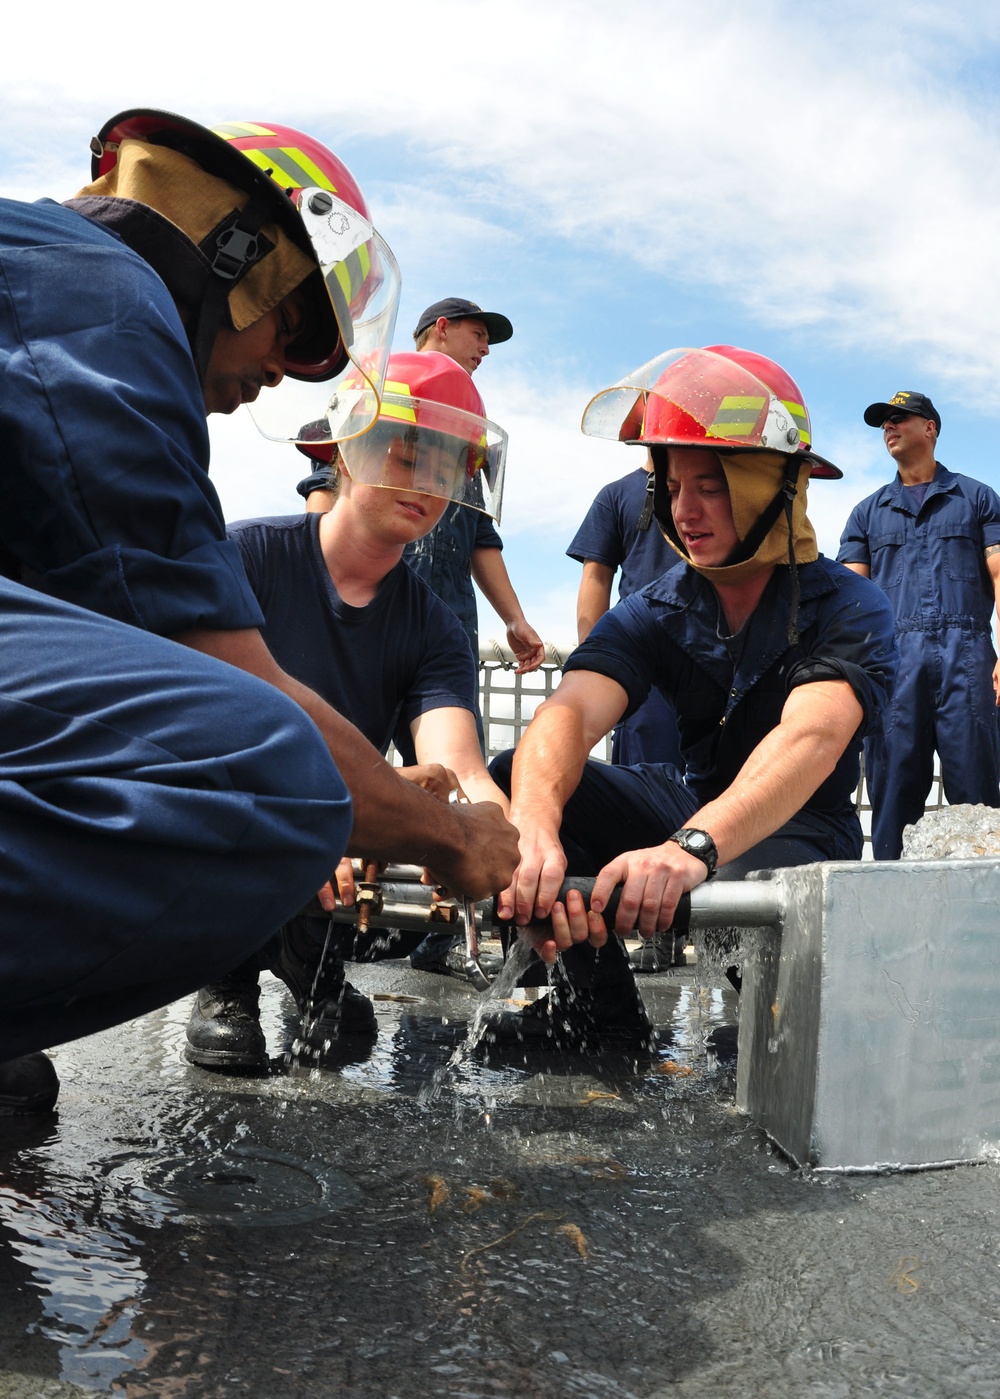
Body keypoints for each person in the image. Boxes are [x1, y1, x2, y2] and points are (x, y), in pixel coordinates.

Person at [0, 109, 518, 1114]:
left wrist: (448, 803)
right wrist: (445, 837)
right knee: (272, 766)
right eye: (293, 326)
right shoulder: (108, 304)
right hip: (302, 830)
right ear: (239, 253)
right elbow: (248, 712)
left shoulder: (49, 279)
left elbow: (447, 739)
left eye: (443, 465)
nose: (282, 368)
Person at [486, 346, 896, 1048]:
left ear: (772, 488)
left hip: (800, 826)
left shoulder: (850, 606)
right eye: (673, 487)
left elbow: (811, 737)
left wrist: (690, 848)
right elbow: (573, 710)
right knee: (511, 780)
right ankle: (604, 1017)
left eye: (711, 485)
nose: (685, 509)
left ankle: (772, 1023)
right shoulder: (658, 606)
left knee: (733, 880)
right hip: (687, 803)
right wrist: (531, 822)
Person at [186, 350, 513, 1068]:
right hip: (235, 820)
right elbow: (201, 729)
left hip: (339, 839)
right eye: (406, 453)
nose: (425, 482)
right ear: (344, 446)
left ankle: (311, 955)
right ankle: (226, 973)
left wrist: (497, 827)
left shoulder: (431, 625)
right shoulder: (248, 557)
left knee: (348, 1037)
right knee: (233, 1045)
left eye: (446, 465)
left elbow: (457, 760)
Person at [837, 391, 1000, 859]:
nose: (888, 427)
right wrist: (848, 673)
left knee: (978, 792)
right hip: (893, 664)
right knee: (892, 791)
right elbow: (851, 601)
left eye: (899, 419)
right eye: (884, 422)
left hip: (966, 655)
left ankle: (986, 915)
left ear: (929, 427)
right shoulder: (867, 513)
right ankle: (892, 910)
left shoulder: (976, 498)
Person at [567, 448, 686, 972]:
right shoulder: (616, 494)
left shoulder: (716, 484)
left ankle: (720, 918)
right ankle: (657, 928)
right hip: (645, 658)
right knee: (643, 780)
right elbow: (597, 576)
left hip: (711, 652)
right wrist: (597, 662)